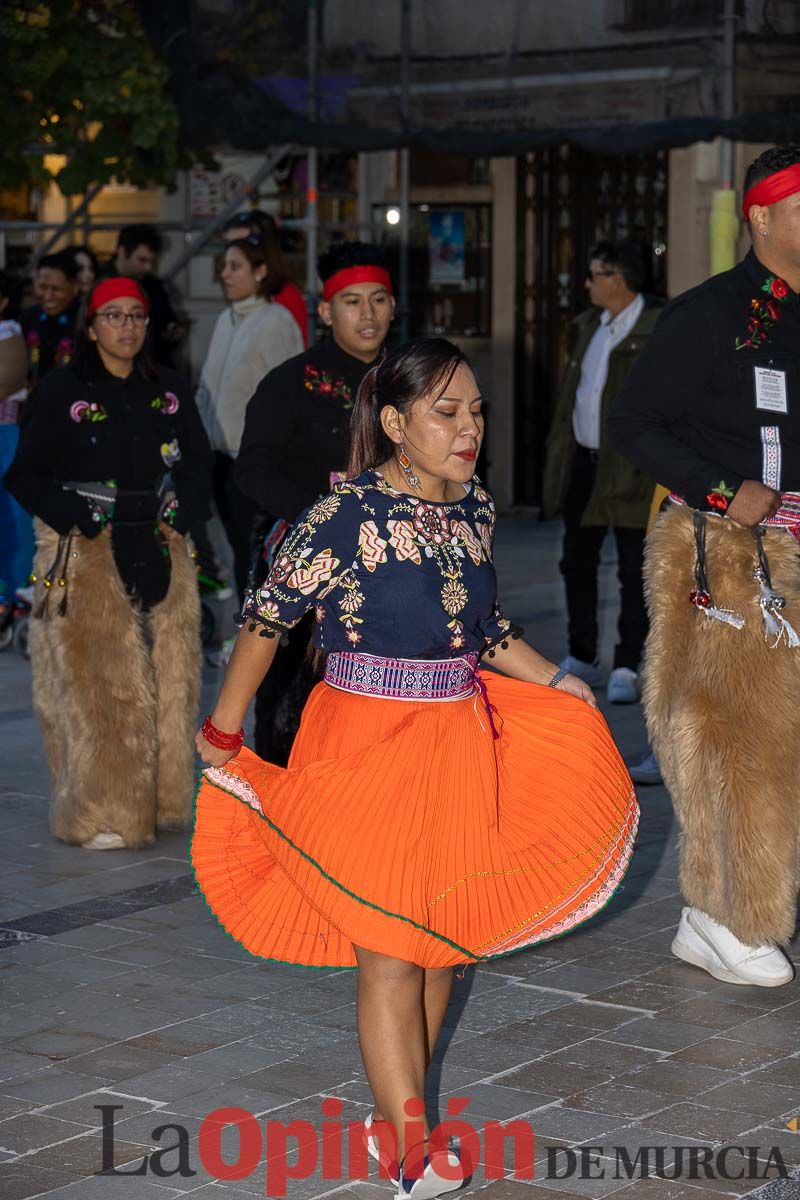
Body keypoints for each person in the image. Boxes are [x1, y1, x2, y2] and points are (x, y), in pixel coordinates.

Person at [193, 337, 639, 1195]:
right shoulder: (344, 515)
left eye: (475, 412)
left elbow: (486, 629)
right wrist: (224, 728)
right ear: (396, 423)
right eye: (448, 413)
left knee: (441, 946)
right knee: (391, 952)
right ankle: (409, 1143)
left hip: (456, 742)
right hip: (362, 742)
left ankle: (400, 1118)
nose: (469, 428)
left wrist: (559, 683)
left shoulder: (474, 507)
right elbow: (267, 619)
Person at [607, 143, 800, 987]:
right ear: (761, 216)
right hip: (734, 556)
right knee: (735, 741)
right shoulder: (711, 313)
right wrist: (725, 491)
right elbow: (635, 424)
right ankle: (727, 913)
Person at [4, 278, 212, 850]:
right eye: (114, 317)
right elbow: (23, 475)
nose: (127, 327)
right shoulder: (61, 392)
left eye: (137, 316)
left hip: (160, 540)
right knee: (102, 687)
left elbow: (198, 465)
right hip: (89, 547)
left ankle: (165, 798)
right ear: (92, 326)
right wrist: (77, 517)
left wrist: (187, 509)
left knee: (171, 679)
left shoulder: (167, 389)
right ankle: (103, 810)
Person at [235, 240, 394, 764]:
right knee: (290, 699)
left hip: (395, 567)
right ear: (326, 311)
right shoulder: (290, 383)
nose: (367, 314)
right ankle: (283, 813)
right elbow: (252, 469)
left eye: (379, 299)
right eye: (352, 301)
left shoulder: (412, 378)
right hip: (309, 564)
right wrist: (322, 516)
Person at [543, 240, 661, 704]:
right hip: (586, 465)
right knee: (577, 561)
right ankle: (583, 653)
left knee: (634, 569)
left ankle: (629, 662)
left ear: (619, 279)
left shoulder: (657, 328)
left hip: (631, 469)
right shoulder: (590, 326)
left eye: (595, 274)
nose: (587, 284)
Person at [195, 235, 303, 602]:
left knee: (255, 553)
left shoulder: (276, 321)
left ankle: (258, 639)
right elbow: (208, 385)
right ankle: (245, 631)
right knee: (236, 550)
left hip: (253, 460)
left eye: (235, 266)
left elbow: (289, 397)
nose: (224, 274)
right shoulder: (227, 319)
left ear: (261, 271)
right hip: (219, 456)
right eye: (223, 266)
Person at [222, 209, 308, 346]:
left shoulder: (284, 300)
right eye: (229, 245)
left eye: (241, 246)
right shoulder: (233, 309)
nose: (232, 253)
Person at [105, 224, 184, 367]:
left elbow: (167, 320)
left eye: (151, 261)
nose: (148, 267)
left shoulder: (154, 286)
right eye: (142, 260)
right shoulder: (99, 284)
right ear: (122, 252)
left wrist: (172, 331)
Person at [0, 272, 29, 603]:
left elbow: (6, 381)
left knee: (10, 520)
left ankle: (12, 592)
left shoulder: (9, 334)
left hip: (5, 437)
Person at [20, 252, 80, 387]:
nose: (48, 296)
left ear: (75, 288)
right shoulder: (27, 319)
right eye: (42, 287)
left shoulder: (85, 322)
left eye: (56, 289)